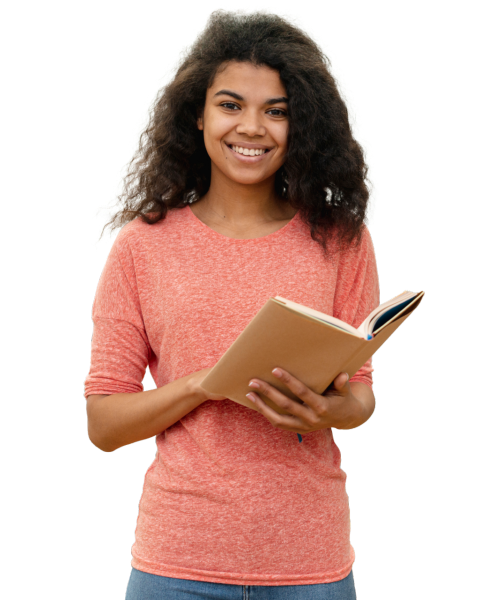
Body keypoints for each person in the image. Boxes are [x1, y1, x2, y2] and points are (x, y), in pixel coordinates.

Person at [85, 7, 379, 600]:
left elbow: (361, 397)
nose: (252, 127)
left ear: (303, 125)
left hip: (310, 564)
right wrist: (202, 385)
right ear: (197, 114)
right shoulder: (141, 247)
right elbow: (104, 425)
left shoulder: (341, 240)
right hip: (177, 565)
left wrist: (327, 412)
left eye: (277, 111)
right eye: (231, 105)